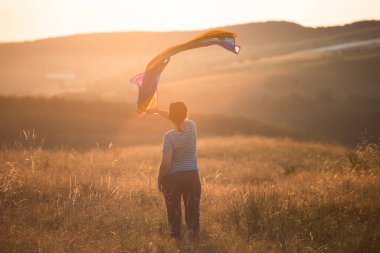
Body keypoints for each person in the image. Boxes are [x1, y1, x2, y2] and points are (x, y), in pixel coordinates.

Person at [147, 102, 201, 240]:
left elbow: (166, 163)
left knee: (174, 213)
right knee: (193, 213)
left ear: (171, 116)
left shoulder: (169, 137)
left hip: (172, 180)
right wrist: (159, 111)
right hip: (192, 176)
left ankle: (176, 242)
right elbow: (177, 117)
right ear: (186, 113)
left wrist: (159, 179)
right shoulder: (192, 126)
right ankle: (193, 242)